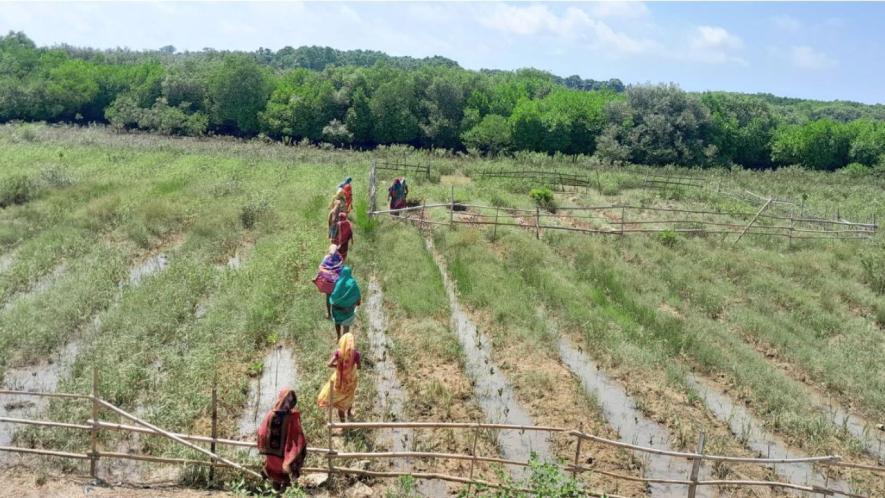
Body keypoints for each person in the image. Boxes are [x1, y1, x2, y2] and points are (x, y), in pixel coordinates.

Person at [257, 388, 307, 489]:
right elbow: (298, 437)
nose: (288, 404)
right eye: (287, 400)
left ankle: (276, 490)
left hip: (272, 458)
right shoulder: (291, 418)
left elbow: (261, 433)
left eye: (289, 401)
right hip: (284, 460)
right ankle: (284, 490)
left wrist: (263, 447)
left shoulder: (270, 415)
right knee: (284, 477)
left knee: (276, 478)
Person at [316, 332, 361, 425]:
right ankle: (349, 412)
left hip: (338, 380)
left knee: (340, 401)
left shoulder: (338, 352)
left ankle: (343, 423)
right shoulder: (356, 354)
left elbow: (329, 364)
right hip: (350, 380)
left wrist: (338, 366)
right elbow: (359, 366)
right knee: (350, 396)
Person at [328, 266, 360, 339]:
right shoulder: (352, 283)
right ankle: (344, 342)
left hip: (336, 309)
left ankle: (338, 336)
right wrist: (357, 302)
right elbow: (357, 295)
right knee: (346, 326)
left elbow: (332, 295)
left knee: (337, 322)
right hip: (348, 310)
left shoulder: (337, 282)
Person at [312, 245, 343, 319]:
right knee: (336, 297)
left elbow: (321, 267)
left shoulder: (326, 258)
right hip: (336, 282)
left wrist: (326, 272)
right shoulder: (339, 257)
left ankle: (329, 314)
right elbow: (341, 267)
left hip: (328, 283)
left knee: (328, 298)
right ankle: (336, 313)